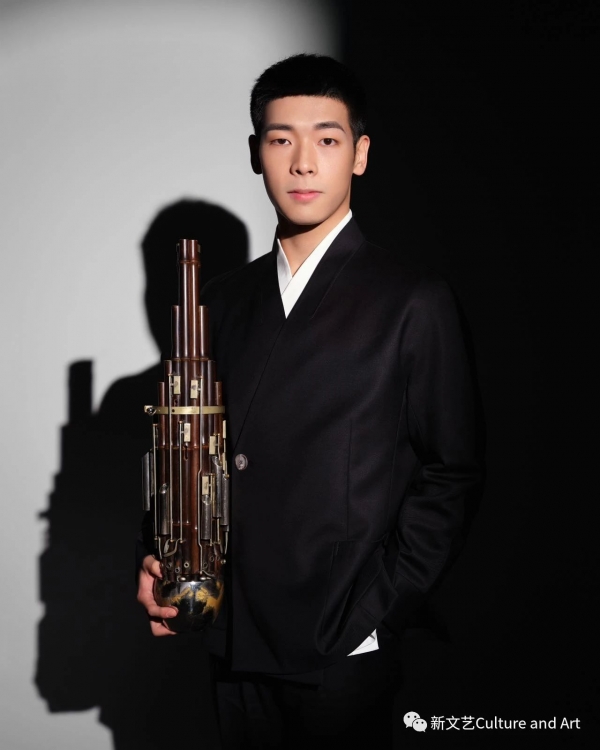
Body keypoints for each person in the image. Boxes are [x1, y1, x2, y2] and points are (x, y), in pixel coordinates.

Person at [136, 53, 483, 748]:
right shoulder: (222, 301)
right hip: (233, 631)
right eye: (280, 139)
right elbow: (190, 450)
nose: (302, 163)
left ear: (360, 154)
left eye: (327, 139)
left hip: (339, 644)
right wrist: (162, 558)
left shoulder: (411, 300)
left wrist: (376, 613)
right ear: (255, 153)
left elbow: (454, 470)